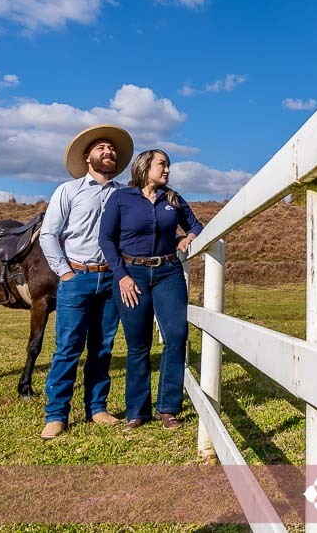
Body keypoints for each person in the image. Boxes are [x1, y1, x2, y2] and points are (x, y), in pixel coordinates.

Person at [38, 124, 134, 440]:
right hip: (77, 277)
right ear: (87, 156)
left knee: (103, 347)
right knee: (68, 348)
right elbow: (50, 234)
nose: (109, 152)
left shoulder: (125, 194)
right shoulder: (69, 190)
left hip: (111, 279)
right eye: (102, 148)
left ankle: (97, 408)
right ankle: (56, 414)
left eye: (112, 149)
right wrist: (65, 273)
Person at [99, 149, 203, 430]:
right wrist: (121, 275)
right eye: (162, 165)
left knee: (177, 336)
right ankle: (137, 411)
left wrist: (189, 237)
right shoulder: (121, 198)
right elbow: (106, 239)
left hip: (168, 273)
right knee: (138, 344)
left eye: (168, 165)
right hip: (132, 275)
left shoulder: (173, 198)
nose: (167, 169)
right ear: (144, 167)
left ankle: (168, 409)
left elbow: (196, 225)